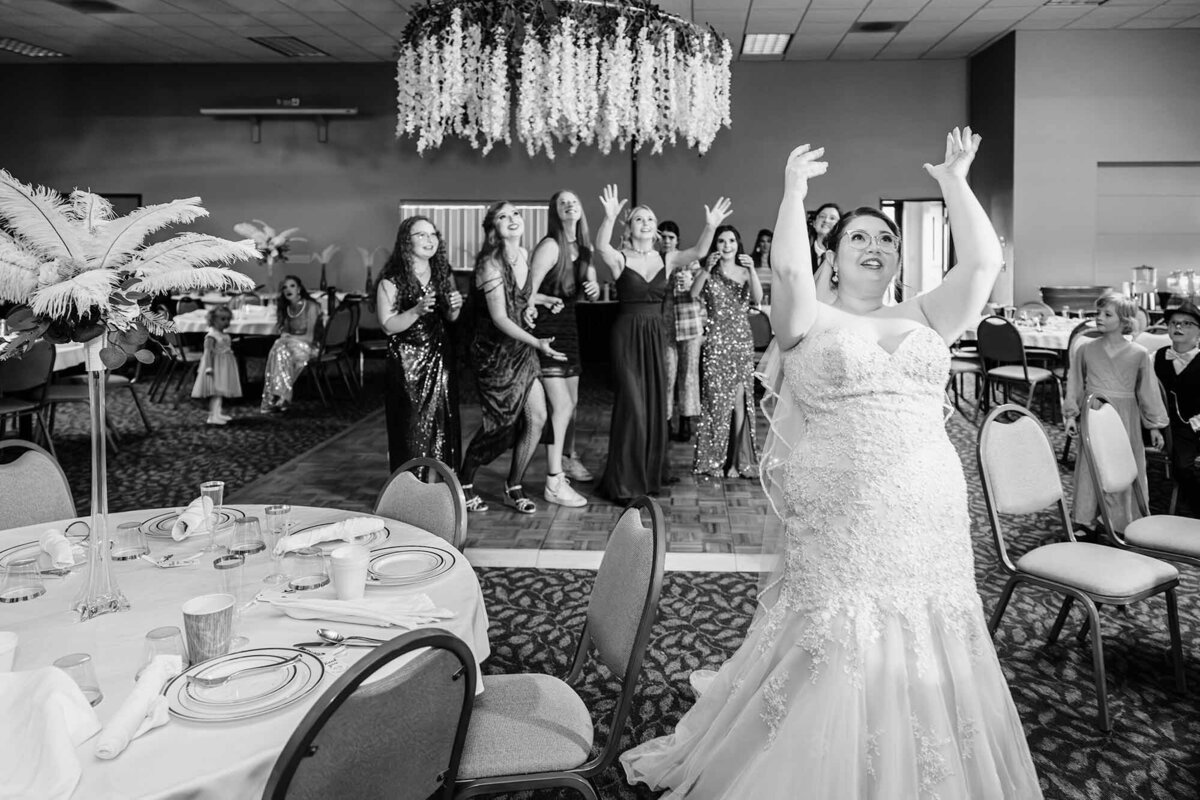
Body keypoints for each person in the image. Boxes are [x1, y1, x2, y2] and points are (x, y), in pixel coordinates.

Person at [621, 129, 1044, 797]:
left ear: (899, 260)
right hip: (843, 512)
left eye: (885, 240)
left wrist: (956, 181)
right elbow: (788, 271)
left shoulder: (926, 314)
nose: (874, 247)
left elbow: (984, 263)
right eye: (858, 239)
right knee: (841, 634)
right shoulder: (807, 321)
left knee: (928, 631)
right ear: (835, 258)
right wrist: (793, 194)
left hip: (928, 509)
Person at [593, 186, 731, 503]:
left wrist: (711, 225)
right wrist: (609, 218)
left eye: (650, 219)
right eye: (638, 219)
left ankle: (647, 474)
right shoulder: (620, 258)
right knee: (632, 404)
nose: (645, 222)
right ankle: (625, 481)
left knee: (654, 403)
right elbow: (601, 246)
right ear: (630, 228)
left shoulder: (666, 258)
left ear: (655, 230)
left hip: (656, 333)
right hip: (626, 333)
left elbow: (697, 252)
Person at [459, 201, 563, 513]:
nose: (512, 219)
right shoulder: (490, 264)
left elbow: (520, 298)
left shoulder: (524, 254)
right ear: (493, 229)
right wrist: (538, 342)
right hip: (494, 354)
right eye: (503, 216)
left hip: (521, 350)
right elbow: (501, 318)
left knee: (539, 417)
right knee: (500, 423)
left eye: (515, 213)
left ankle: (513, 484)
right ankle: (464, 482)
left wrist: (543, 300)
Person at [1064, 292, 1167, 534]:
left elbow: (1148, 392)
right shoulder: (1085, 349)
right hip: (1093, 412)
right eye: (1098, 313)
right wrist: (1071, 414)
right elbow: (1075, 384)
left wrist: (1153, 426)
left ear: (1124, 321)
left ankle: (1121, 521)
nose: (1098, 318)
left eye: (1106, 314)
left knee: (1123, 463)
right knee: (1092, 465)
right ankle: (1086, 518)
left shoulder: (1139, 354)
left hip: (1125, 418)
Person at [525, 190, 599, 508]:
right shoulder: (550, 245)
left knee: (572, 404)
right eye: (562, 203)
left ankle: (565, 462)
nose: (570, 204)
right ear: (555, 213)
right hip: (547, 332)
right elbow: (525, 291)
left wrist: (594, 289)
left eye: (574, 200)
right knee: (562, 407)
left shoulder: (584, 248)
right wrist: (543, 299)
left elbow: (591, 290)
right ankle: (553, 482)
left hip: (570, 329)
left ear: (581, 210)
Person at [377, 215, 463, 474]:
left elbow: (450, 317)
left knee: (442, 422)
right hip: (406, 360)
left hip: (439, 355)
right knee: (411, 424)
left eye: (433, 234)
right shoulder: (391, 280)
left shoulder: (442, 274)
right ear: (406, 241)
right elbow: (387, 325)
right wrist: (415, 310)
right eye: (421, 235)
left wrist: (456, 307)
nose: (429, 240)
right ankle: (409, 489)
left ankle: (442, 488)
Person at [691, 225, 762, 478]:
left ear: (737, 243)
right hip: (716, 342)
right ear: (716, 245)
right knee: (714, 401)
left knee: (740, 401)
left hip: (741, 341)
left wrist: (753, 270)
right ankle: (713, 460)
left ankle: (736, 462)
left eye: (731, 240)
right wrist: (705, 269)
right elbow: (693, 293)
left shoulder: (745, 272)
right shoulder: (709, 271)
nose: (726, 245)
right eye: (721, 241)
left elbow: (758, 297)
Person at [1153, 301, 1200, 515]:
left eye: (1187, 323)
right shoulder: (1156, 357)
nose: (1178, 327)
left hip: (1191, 426)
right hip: (1158, 422)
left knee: (1183, 465)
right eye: (1174, 323)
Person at [659, 220, 704, 443]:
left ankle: (686, 421)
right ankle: (666, 421)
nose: (666, 241)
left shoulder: (689, 260)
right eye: (663, 236)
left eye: (671, 237)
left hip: (691, 324)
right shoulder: (654, 261)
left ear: (677, 240)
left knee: (689, 376)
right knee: (667, 375)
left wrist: (691, 281)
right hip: (664, 326)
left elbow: (703, 291)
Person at [261, 275, 321, 413]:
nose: (288, 289)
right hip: (290, 347)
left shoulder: (311, 306)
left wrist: (289, 338)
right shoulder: (286, 309)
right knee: (281, 350)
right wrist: (286, 338)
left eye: (292, 286)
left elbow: (310, 337)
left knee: (279, 348)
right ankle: (283, 398)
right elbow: (285, 334)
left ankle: (274, 397)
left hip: (311, 347)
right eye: (285, 287)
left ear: (299, 289)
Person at [191, 305, 241, 426]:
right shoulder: (211, 336)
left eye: (228, 319)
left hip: (225, 366)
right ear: (213, 320)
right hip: (216, 366)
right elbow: (207, 353)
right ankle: (212, 416)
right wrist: (208, 367)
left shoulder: (224, 334)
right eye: (223, 319)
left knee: (221, 391)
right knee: (216, 392)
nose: (226, 322)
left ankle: (217, 413)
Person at [808, 201, 842, 273]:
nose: (826, 220)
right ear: (814, 223)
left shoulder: (842, 258)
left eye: (832, 218)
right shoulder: (802, 254)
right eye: (822, 216)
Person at [750, 227, 773, 298]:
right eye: (763, 241)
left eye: (769, 241)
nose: (765, 245)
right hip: (756, 296)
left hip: (773, 296)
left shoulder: (777, 261)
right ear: (759, 243)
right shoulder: (751, 261)